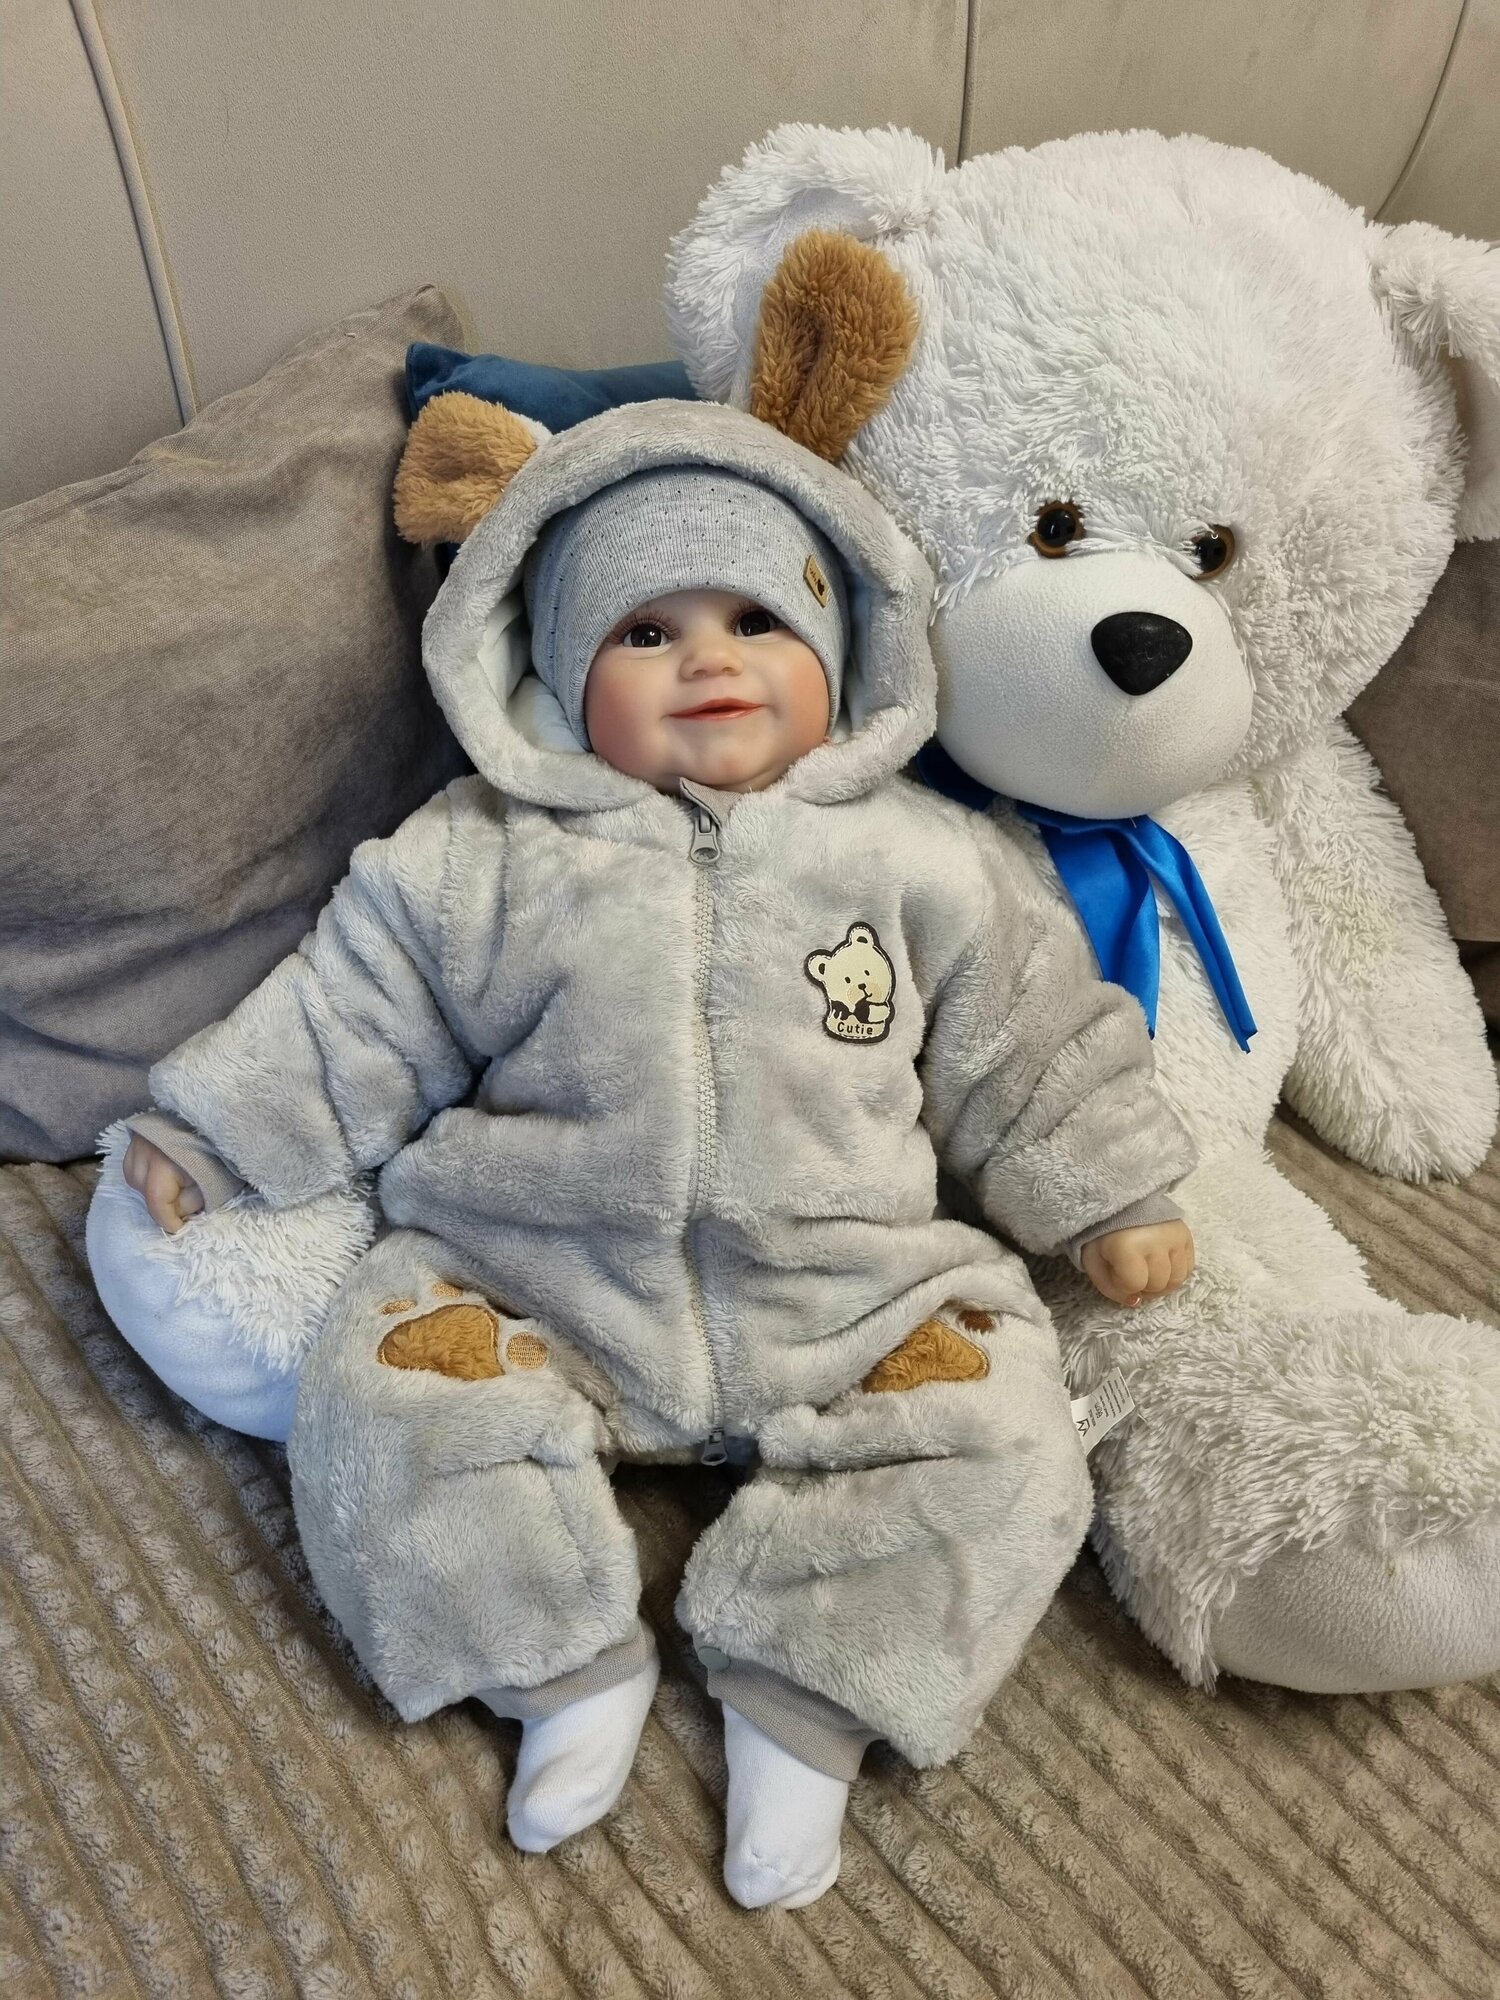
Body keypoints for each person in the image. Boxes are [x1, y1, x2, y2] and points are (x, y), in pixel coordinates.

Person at [97, 400, 1195, 1909]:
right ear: (559, 674)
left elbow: (1032, 1035)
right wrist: (219, 1128)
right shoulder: (479, 854)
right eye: (647, 631)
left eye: (756, 618)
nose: (709, 660)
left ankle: (809, 1697)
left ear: (839, 646)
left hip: (853, 1291)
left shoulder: (926, 856)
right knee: (382, 1396)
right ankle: (555, 1668)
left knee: (1011, 1434)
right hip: (533, 1275)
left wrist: (1111, 1189)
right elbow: (352, 1011)